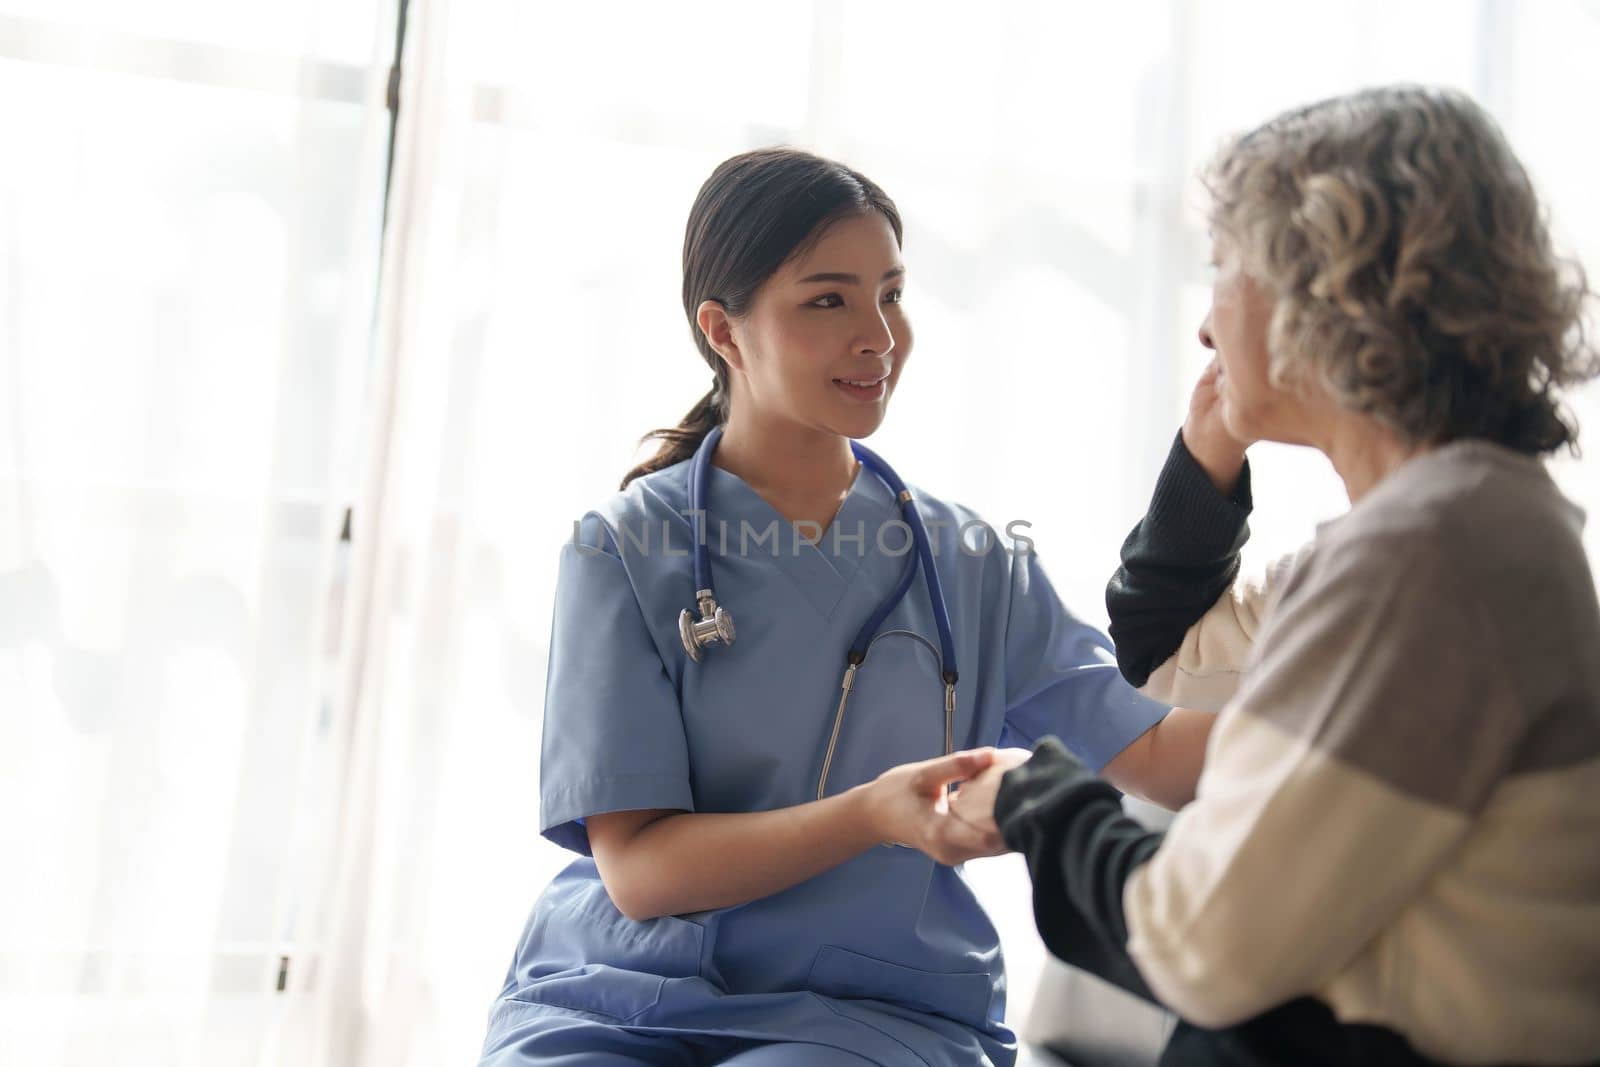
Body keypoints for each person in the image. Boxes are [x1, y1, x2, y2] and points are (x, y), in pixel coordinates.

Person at [477, 147, 1214, 1066]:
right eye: (828, 300)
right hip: (612, 995)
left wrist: (1366, 721)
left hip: (870, 1012)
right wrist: (872, 814)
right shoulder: (623, 551)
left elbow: (1150, 751)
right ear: (724, 330)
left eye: (892, 294)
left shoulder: (970, 562)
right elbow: (639, 872)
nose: (880, 335)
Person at [949, 86, 1600, 1066]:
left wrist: (1028, 800)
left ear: (1326, 290)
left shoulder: (1433, 556)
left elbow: (1202, 943)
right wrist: (1207, 451)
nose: (1206, 327)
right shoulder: (1451, 530)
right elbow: (1164, 671)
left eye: (1221, 267)